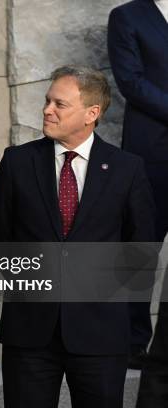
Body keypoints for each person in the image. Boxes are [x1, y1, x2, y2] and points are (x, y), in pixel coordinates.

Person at [0, 66, 155, 408]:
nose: (47, 109)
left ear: (91, 113)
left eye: (59, 104)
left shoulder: (127, 168)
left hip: (101, 335)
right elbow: (1, 242)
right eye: (48, 101)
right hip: (30, 334)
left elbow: (140, 251)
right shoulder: (16, 163)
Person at [107, 0, 168, 371]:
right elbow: (131, 81)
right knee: (140, 250)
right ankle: (133, 344)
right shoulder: (127, 16)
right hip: (153, 153)